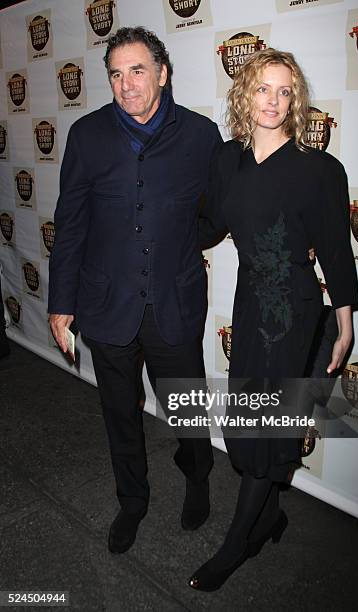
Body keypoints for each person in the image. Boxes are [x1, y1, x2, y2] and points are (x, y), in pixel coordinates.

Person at [191, 48, 358, 591]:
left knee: (269, 430)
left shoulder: (319, 170)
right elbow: (208, 224)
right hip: (248, 303)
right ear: (245, 93)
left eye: (285, 91)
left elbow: (336, 252)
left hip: (296, 312)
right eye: (263, 88)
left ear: (296, 100)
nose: (273, 100)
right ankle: (269, 518)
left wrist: (346, 323)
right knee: (247, 425)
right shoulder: (227, 160)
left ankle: (237, 542)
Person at [48, 26, 222, 554]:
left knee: (186, 408)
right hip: (106, 305)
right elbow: (71, 222)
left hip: (175, 298)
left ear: (163, 73)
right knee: (119, 413)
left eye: (138, 70)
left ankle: (197, 477)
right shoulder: (87, 134)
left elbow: (217, 215)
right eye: (117, 74)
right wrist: (60, 304)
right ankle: (132, 501)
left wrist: (178, 238)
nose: (127, 85)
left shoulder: (200, 135)